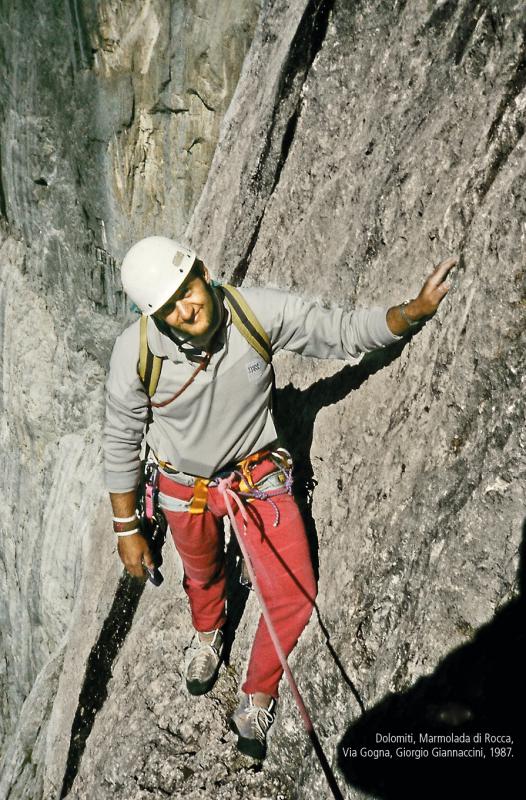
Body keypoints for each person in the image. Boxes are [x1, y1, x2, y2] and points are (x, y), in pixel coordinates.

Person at [103, 236, 456, 759]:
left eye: (189, 288)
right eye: (169, 305)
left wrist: (412, 312)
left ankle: (260, 690)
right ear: (153, 317)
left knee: (293, 592)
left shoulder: (252, 313)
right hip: (186, 489)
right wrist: (127, 529)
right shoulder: (134, 355)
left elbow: (335, 331)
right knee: (203, 574)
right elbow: (121, 438)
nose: (187, 307)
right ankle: (208, 633)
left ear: (203, 271)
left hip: (256, 476)